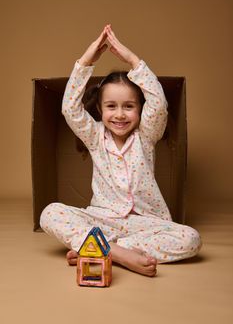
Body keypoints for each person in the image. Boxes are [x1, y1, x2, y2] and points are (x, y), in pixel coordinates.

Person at [40, 24, 202, 277]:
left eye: (128, 106)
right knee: (50, 213)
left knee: (191, 238)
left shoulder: (146, 136)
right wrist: (85, 61)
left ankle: (98, 250)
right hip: (103, 220)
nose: (119, 114)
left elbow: (158, 104)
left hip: (145, 223)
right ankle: (117, 254)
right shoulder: (94, 136)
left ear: (139, 110)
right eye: (111, 106)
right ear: (100, 110)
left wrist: (132, 60)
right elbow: (70, 109)